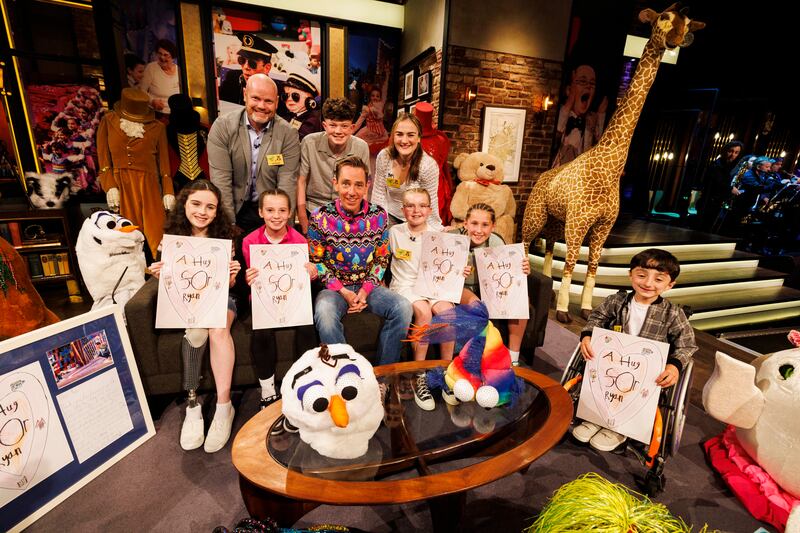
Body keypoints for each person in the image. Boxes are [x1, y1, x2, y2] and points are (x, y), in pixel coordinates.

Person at [572, 248, 697, 452]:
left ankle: (621, 428)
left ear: (670, 285)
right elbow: (596, 319)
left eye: (658, 279)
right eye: (641, 275)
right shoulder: (617, 301)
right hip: (612, 364)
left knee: (636, 388)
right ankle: (594, 417)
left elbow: (687, 344)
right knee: (601, 378)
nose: (648, 283)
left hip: (645, 373)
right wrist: (587, 336)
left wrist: (674, 366)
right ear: (631, 275)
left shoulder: (673, 314)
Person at [149, 179, 241, 453]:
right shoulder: (170, 239)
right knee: (197, 332)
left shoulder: (226, 236)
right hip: (187, 302)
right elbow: (169, 286)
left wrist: (232, 275)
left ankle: (224, 407)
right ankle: (193, 406)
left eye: (210, 207)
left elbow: (231, 287)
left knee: (217, 329)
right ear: (184, 204)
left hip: (221, 297)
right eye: (196, 204)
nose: (203, 211)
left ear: (217, 211)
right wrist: (158, 273)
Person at [307, 156, 413, 365]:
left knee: (403, 307)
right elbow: (316, 261)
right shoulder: (319, 217)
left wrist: (364, 291)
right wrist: (345, 293)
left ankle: (383, 378)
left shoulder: (379, 216)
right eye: (346, 184)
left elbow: (382, 258)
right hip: (335, 289)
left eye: (358, 185)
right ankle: (349, 374)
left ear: (367, 186)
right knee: (324, 313)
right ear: (335, 183)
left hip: (369, 287)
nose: (352, 192)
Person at [242, 189, 317, 422]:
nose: (276, 215)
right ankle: (267, 390)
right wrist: (248, 278)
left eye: (282, 210)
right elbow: (247, 283)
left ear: (290, 213)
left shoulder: (299, 241)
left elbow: (305, 279)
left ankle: (303, 383)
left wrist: (312, 274)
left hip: (293, 298)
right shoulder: (249, 241)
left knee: (307, 327)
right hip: (264, 301)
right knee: (261, 330)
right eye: (270, 210)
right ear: (261, 212)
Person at [389, 188, 465, 410]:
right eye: (410, 205)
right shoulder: (394, 232)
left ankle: (446, 371)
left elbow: (449, 264)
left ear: (430, 210)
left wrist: (461, 269)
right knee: (422, 311)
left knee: (448, 312)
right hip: (405, 285)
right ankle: (418, 375)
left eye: (422, 205)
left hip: (433, 286)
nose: (416, 210)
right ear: (402, 209)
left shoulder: (439, 234)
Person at [208, 74, 300, 235]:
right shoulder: (222, 127)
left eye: (268, 101)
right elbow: (221, 180)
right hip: (233, 209)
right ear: (245, 95)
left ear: (277, 102)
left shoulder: (288, 133)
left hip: (271, 212)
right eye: (256, 98)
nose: (261, 106)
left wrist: (285, 230)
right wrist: (228, 225)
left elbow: (287, 184)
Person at [453, 203, 529, 366]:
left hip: (488, 289)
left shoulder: (497, 242)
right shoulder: (453, 239)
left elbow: (507, 273)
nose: (479, 230)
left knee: (522, 299)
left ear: (493, 226)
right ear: (465, 223)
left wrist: (521, 269)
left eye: (485, 225)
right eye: (474, 223)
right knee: (476, 305)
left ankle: (513, 358)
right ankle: (475, 357)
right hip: (461, 289)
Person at [296, 97, 370, 234]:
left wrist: (361, 219)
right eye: (333, 125)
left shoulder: (362, 147)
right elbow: (301, 181)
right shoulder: (309, 143)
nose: (338, 131)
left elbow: (363, 185)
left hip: (348, 211)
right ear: (324, 125)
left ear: (352, 128)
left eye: (344, 126)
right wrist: (303, 219)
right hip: (313, 208)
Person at [371, 113, 442, 229]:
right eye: (399, 134)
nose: (404, 140)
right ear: (393, 136)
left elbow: (431, 203)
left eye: (410, 135)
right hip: (390, 216)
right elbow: (379, 193)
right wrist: (377, 223)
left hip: (416, 219)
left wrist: (435, 231)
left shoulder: (428, 166)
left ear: (419, 138)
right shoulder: (384, 156)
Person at [552, 64, 608, 168]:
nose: (588, 86)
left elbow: (599, 148)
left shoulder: (592, 119)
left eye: (592, 83)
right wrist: (571, 98)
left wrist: (601, 115)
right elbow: (555, 133)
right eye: (582, 81)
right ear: (569, 89)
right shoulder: (560, 112)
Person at [218, 33, 277, 106]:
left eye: (252, 63)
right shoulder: (232, 77)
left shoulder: (275, 91)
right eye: (241, 60)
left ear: (267, 68)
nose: (246, 67)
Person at [698, 140, 742, 232]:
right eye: (730, 151)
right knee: (704, 229)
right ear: (725, 151)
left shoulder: (732, 166)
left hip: (719, 201)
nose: (733, 155)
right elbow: (717, 182)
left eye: (736, 152)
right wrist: (730, 188)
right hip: (709, 202)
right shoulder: (717, 165)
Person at [139, 39, 181, 114]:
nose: (162, 57)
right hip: (157, 113)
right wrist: (152, 101)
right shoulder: (151, 68)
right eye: (160, 54)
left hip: (176, 113)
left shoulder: (179, 70)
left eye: (166, 55)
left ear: (172, 57)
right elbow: (142, 91)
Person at [279, 72, 321, 140]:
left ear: (309, 100)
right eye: (286, 96)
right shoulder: (290, 116)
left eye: (295, 96)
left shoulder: (311, 122)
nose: (289, 99)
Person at [353, 78, 389, 146]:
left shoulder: (381, 104)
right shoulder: (367, 109)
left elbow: (384, 91)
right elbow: (360, 121)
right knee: (356, 141)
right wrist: (351, 130)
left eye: (377, 96)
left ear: (380, 97)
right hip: (369, 132)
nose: (375, 97)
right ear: (370, 97)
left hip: (381, 134)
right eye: (373, 96)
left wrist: (387, 76)